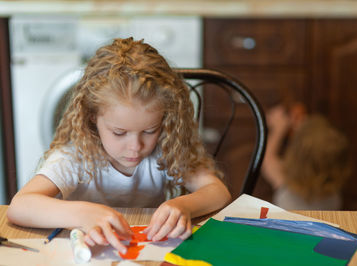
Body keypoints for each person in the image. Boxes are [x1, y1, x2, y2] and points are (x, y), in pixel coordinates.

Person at [7, 37, 231, 254]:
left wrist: (184, 206)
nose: (135, 146)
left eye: (150, 130)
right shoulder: (76, 156)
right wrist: (82, 214)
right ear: (92, 116)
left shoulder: (165, 151)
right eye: (119, 132)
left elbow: (218, 192)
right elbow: (20, 206)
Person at [261, 103, 351, 210]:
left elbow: (267, 159)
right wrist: (304, 130)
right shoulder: (332, 191)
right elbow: (318, 149)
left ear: (295, 157)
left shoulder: (285, 183)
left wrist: (278, 129)